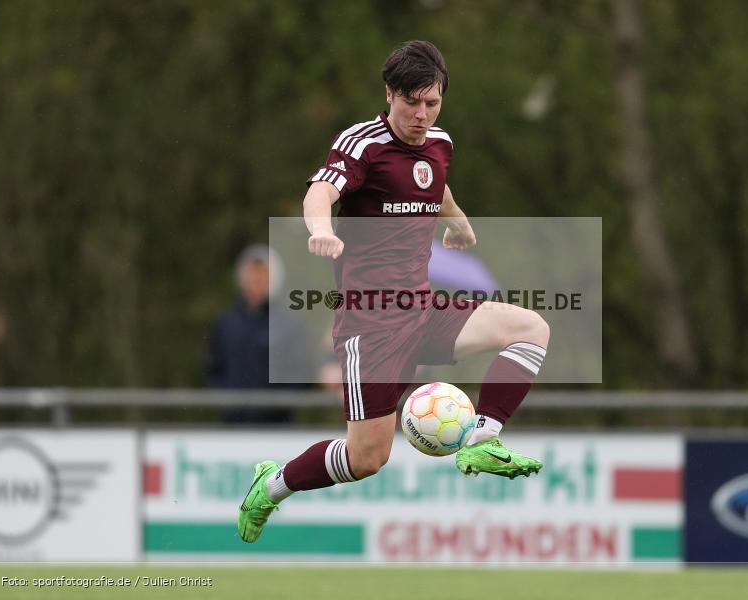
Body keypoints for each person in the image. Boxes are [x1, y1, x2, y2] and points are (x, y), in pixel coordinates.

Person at [238, 41, 549, 543]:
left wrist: (459, 224)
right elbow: (321, 190)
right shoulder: (363, 145)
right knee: (367, 459)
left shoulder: (440, 142)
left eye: (432, 103)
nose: (421, 115)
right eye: (412, 103)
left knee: (530, 327)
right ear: (389, 94)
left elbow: (436, 185)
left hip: (422, 310)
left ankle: (482, 440)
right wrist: (320, 228)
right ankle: (271, 485)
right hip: (370, 326)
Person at [207, 245, 316, 423]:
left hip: (278, 427)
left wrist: (278, 404)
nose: (257, 280)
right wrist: (229, 403)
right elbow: (214, 369)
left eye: (263, 274)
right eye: (252, 274)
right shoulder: (227, 324)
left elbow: (303, 374)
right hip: (234, 427)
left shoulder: (290, 325)